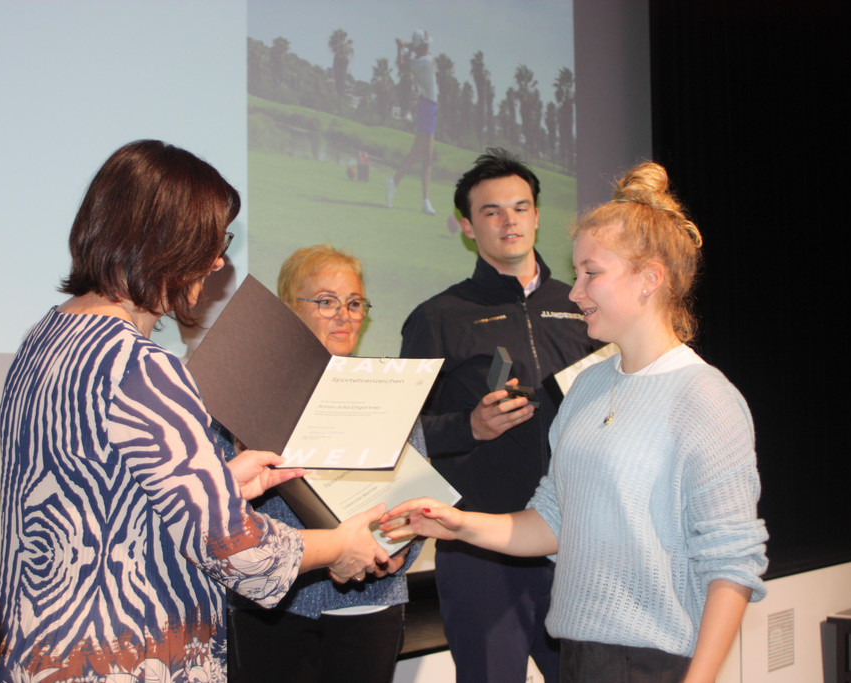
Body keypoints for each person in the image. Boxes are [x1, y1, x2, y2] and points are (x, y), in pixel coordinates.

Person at [0, 141, 389, 683]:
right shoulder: (141, 366)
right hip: (116, 657)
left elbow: (97, 495)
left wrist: (219, 483)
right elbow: (237, 551)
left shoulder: (46, 337)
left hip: (29, 652)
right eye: (212, 243)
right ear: (164, 242)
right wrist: (341, 543)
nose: (218, 262)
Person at [384, 161, 769, 682]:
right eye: (578, 272)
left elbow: (732, 562)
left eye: (592, 273)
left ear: (649, 278)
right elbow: (552, 520)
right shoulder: (589, 387)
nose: (574, 291)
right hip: (580, 654)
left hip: (655, 662)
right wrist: (458, 523)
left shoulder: (705, 397)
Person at [399, 148, 597, 682]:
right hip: (480, 550)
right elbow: (401, 435)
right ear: (468, 226)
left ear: (537, 216)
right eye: (491, 211)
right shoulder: (437, 318)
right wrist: (468, 426)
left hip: (579, 540)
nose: (509, 221)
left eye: (520, 207)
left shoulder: (584, 307)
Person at [226, 244, 424, 682]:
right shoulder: (246, 393)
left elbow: (417, 493)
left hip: (370, 603)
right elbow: (214, 497)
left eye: (354, 303)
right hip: (272, 605)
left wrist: (400, 550)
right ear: (287, 309)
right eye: (326, 301)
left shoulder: (392, 387)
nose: (344, 316)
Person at [386, 29, 437, 215]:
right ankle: (397, 185)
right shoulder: (422, 62)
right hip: (427, 107)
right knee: (422, 155)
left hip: (431, 107)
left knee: (423, 155)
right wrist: (402, 48)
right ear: (420, 46)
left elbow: (407, 60)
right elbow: (402, 66)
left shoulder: (422, 58)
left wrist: (402, 46)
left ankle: (420, 198)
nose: (428, 46)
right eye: (425, 44)